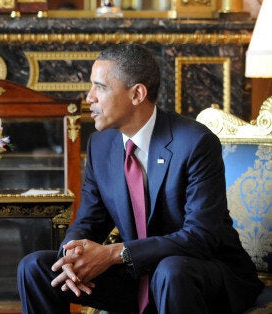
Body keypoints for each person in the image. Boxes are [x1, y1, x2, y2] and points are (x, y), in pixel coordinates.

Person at [17, 44, 264, 313]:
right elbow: (89, 221)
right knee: (36, 268)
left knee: (171, 270)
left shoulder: (195, 143)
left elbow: (200, 237)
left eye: (100, 87)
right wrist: (71, 254)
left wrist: (114, 253)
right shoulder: (101, 145)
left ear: (137, 94)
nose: (89, 97)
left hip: (199, 275)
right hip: (136, 277)